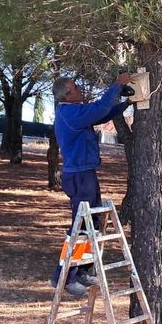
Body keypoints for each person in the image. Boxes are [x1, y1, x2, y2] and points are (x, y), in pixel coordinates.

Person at [50, 73, 132, 296]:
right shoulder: (70, 113)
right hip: (78, 176)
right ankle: (63, 277)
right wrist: (117, 86)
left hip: (85, 173)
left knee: (93, 224)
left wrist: (126, 103)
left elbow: (102, 114)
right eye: (76, 88)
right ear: (67, 94)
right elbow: (98, 108)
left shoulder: (74, 112)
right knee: (80, 227)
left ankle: (82, 270)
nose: (80, 90)